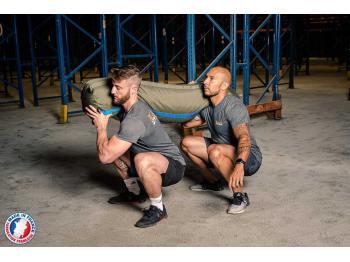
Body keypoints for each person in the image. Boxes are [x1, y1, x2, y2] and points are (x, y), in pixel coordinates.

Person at [85, 65, 186, 228]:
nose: (112, 92)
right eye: (112, 86)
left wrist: (101, 127)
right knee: (113, 145)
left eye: (118, 88)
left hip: (173, 166)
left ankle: (159, 208)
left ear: (133, 90)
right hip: (150, 156)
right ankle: (134, 192)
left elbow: (104, 157)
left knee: (138, 159)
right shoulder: (130, 107)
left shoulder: (135, 119)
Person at [181, 66, 262, 214]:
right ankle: (213, 182)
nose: (205, 82)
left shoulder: (233, 106)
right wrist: (189, 97)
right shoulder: (207, 106)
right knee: (186, 143)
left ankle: (240, 196)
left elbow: (244, 137)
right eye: (206, 78)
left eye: (212, 79)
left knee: (214, 150)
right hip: (221, 149)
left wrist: (239, 165)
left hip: (248, 158)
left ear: (224, 85)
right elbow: (186, 124)